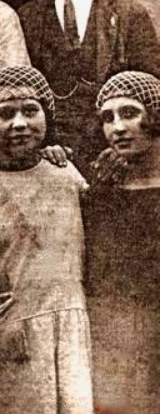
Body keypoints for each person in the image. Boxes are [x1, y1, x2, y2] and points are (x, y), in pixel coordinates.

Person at [0, 66, 93, 413]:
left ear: (47, 116)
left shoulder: (66, 175)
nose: (19, 124)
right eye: (6, 114)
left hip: (68, 340)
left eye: (30, 111)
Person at [18, 0, 160, 175]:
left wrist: (127, 146)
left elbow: (152, 87)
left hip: (118, 155)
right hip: (52, 160)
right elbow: (24, 91)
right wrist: (44, 145)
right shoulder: (27, 16)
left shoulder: (128, 13)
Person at [84, 71, 160, 413]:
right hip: (120, 342)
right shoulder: (102, 192)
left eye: (129, 113)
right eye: (108, 118)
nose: (117, 128)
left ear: (155, 116)